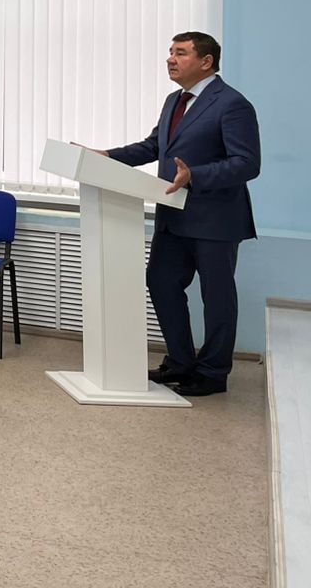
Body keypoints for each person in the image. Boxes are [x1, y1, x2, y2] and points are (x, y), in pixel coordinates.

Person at [98, 32, 261, 397]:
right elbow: (154, 146)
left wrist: (195, 176)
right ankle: (181, 362)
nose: (171, 59)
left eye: (181, 53)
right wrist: (107, 156)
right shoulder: (175, 100)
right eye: (170, 52)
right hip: (173, 217)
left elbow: (247, 163)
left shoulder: (233, 104)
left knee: (217, 298)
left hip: (215, 220)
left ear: (206, 61)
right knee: (161, 282)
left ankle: (213, 372)